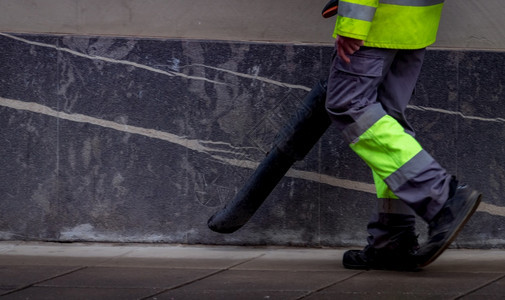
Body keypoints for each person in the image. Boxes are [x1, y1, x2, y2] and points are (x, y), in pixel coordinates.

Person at [325, 0, 482, 270]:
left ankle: (441, 196)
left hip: (377, 22)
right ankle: (393, 238)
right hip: (414, 22)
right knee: (386, 121)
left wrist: (353, 21)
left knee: (349, 105)